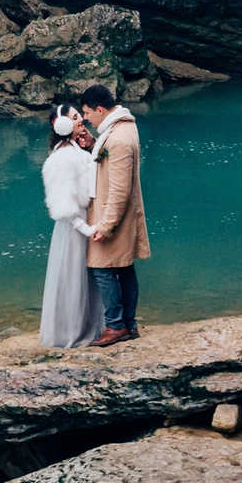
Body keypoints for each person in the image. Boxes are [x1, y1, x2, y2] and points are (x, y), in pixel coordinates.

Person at [79, 83, 148, 344]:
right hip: (120, 214)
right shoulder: (121, 127)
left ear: (99, 109)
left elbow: (119, 191)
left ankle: (116, 326)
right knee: (124, 267)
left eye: (87, 113)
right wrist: (93, 144)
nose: (85, 118)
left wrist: (105, 226)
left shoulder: (118, 138)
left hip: (113, 215)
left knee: (102, 268)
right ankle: (129, 325)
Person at [38, 104, 102, 347]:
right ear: (62, 125)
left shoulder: (73, 149)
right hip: (75, 228)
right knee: (74, 278)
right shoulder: (63, 156)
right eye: (75, 118)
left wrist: (91, 144)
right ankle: (71, 333)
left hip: (83, 223)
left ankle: (89, 327)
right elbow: (62, 203)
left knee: (85, 279)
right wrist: (86, 228)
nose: (81, 121)